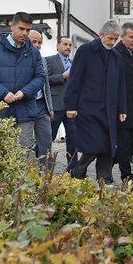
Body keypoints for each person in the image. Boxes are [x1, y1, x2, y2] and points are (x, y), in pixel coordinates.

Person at [64, 20, 127, 183]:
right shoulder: (86, 51)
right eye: (110, 38)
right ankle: (77, 171)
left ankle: (104, 180)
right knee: (94, 145)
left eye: (116, 39)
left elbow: (121, 84)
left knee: (108, 146)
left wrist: (122, 109)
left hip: (110, 110)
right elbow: (74, 79)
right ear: (101, 35)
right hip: (89, 108)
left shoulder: (116, 56)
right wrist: (71, 105)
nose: (113, 42)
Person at [0, 12, 46, 157]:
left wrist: (25, 92)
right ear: (11, 26)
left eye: (28, 30)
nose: (25, 33)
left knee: (25, 153)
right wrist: (3, 93)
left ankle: (23, 181)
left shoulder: (34, 52)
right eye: (21, 29)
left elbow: (40, 77)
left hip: (25, 110)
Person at [113, 22, 133, 187]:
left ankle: (110, 160)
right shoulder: (115, 53)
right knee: (124, 145)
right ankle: (127, 179)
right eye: (131, 37)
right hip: (122, 108)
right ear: (122, 36)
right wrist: (119, 107)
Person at [45, 36, 78, 169]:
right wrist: (62, 77)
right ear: (58, 46)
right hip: (56, 104)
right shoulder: (49, 60)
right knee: (49, 137)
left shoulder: (74, 63)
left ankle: (73, 168)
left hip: (71, 107)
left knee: (73, 139)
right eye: (65, 44)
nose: (68, 47)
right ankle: (42, 165)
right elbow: (44, 78)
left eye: (70, 45)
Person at [27, 30, 55, 170]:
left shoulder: (42, 60)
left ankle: (46, 175)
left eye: (40, 42)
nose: (37, 45)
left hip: (41, 106)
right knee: (25, 142)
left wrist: (50, 108)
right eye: (34, 42)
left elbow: (46, 86)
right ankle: (27, 174)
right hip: (25, 105)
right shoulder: (20, 59)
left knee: (46, 141)